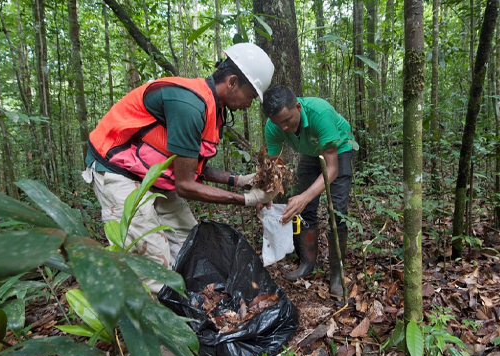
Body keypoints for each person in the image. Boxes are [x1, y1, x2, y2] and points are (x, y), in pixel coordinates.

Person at [82, 43, 278, 294]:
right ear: (232, 82)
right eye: (251, 95)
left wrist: (239, 180)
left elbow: (191, 163)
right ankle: (161, 324)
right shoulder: (189, 104)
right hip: (119, 172)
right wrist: (247, 199)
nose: (249, 104)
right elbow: (185, 185)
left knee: (189, 239)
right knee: (153, 259)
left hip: (154, 175)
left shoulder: (213, 109)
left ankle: (191, 301)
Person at [260, 85, 354, 297]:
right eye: (278, 123)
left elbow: (331, 169)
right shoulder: (273, 126)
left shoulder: (320, 113)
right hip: (310, 154)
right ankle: (307, 263)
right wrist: (266, 193)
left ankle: (337, 274)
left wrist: (304, 197)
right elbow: (276, 166)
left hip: (338, 151)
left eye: (287, 120)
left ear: (298, 107)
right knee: (304, 211)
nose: (283, 127)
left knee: (337, 212)